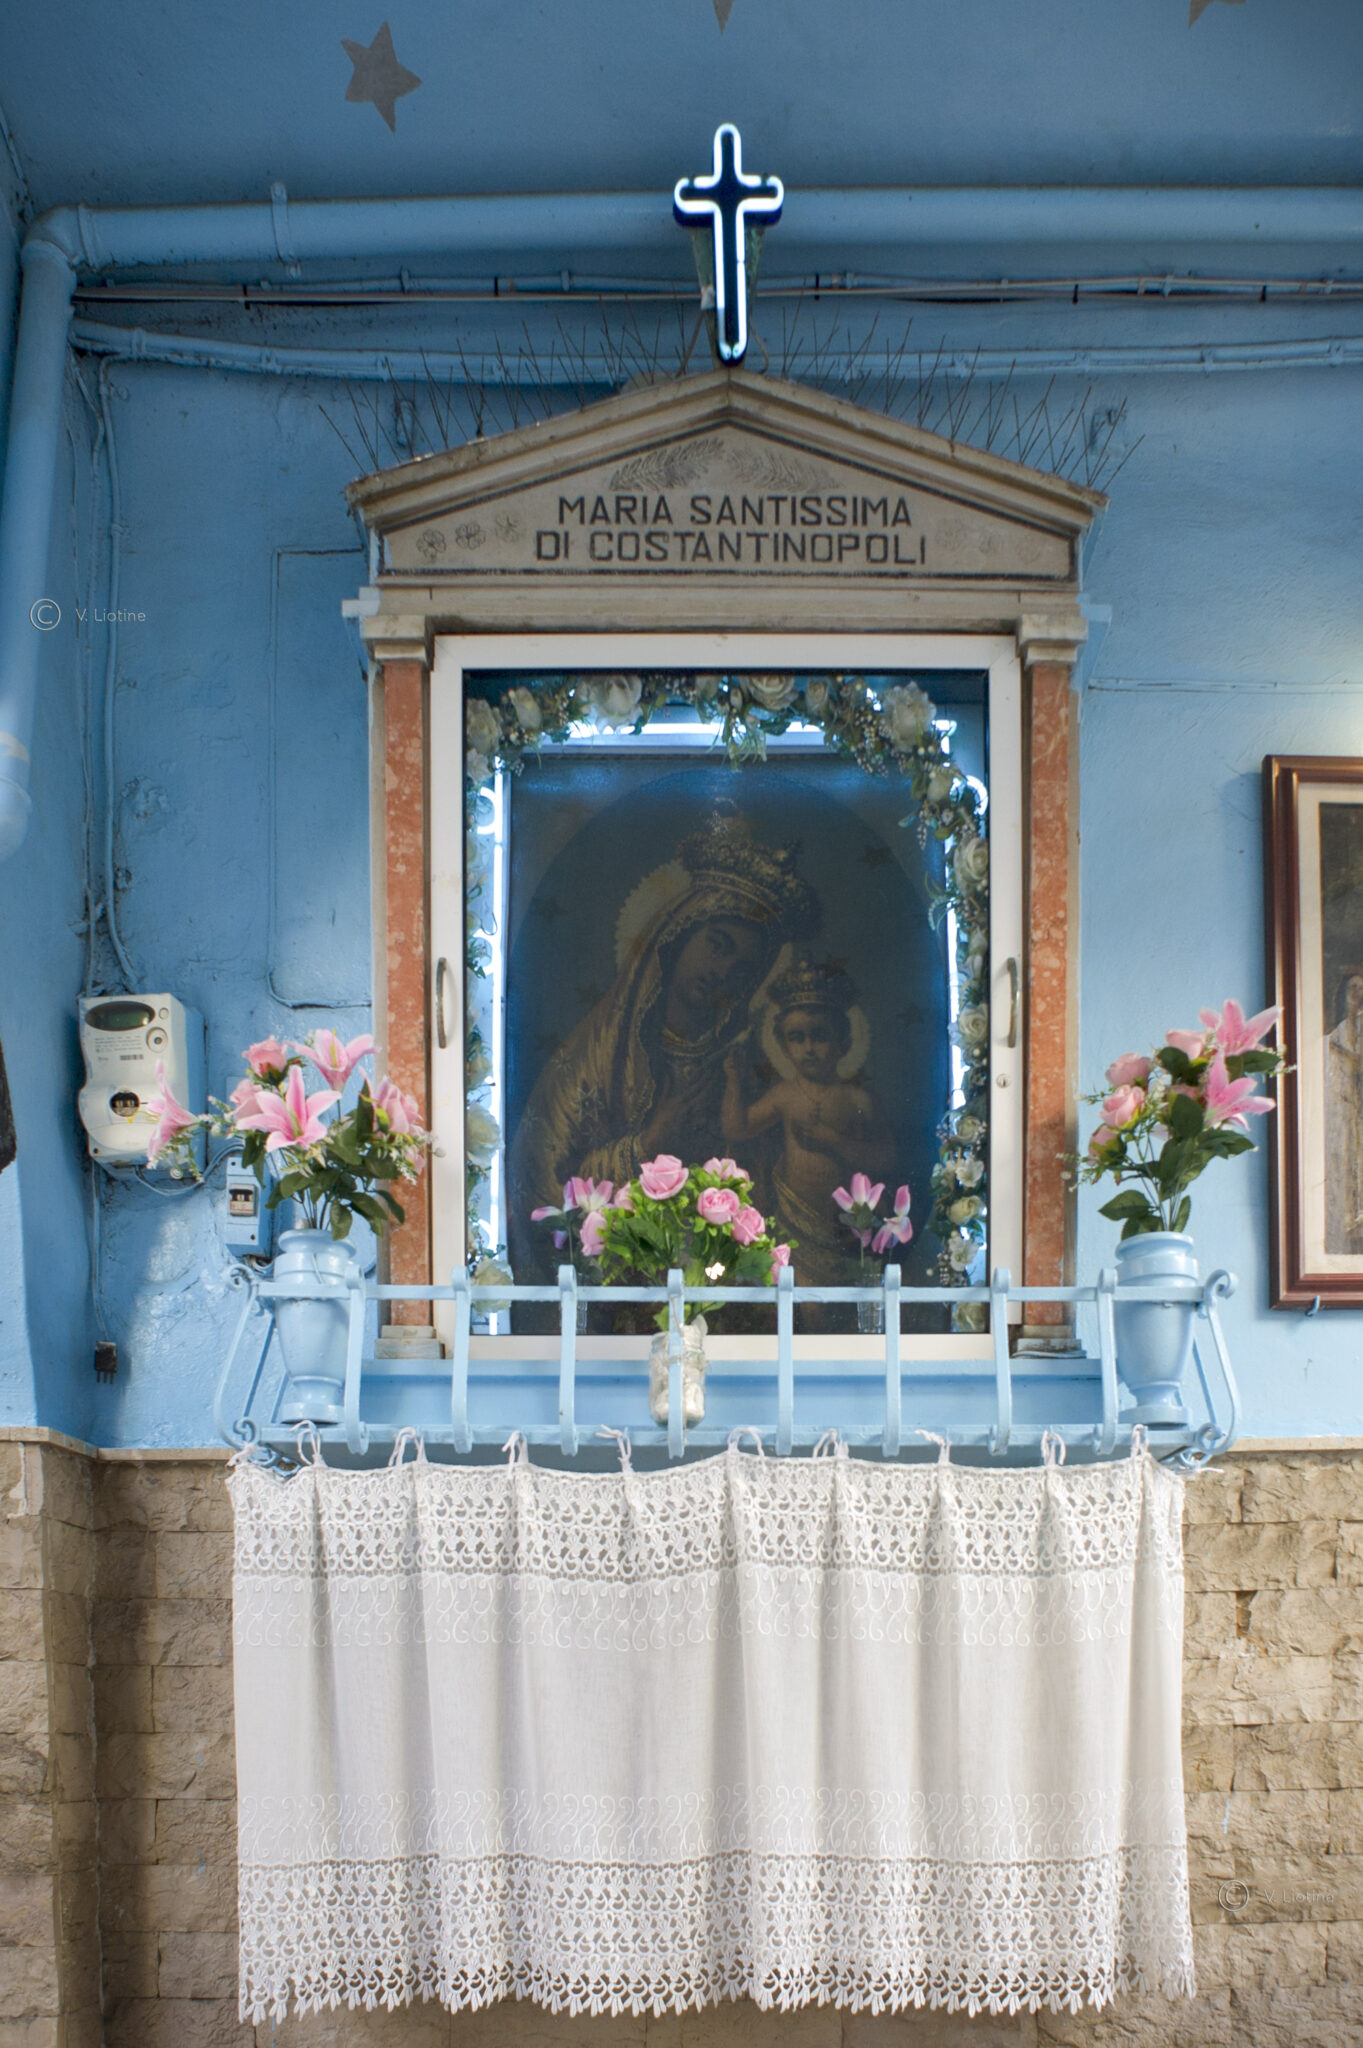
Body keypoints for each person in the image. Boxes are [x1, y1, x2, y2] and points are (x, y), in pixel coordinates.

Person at [509, 814, 818, 1271]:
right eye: (717, 945)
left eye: (741, 969)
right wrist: (650, 1142)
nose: (722, 972)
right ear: (677, 934)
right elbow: (544, 1180)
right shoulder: (596, 1055)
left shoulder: (738, 1069)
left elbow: (764, 1195)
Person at [722, 955, 891, 1286]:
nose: (809, 1047)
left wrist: (832, 1140)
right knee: (797, 1294)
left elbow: (885, 1158)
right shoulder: (784, 1095)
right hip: (793, 1219)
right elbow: (737, 1128)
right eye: (797, 1038)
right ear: (783, 1045)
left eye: (820, 1035)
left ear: (844, 1042)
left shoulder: (856, 1098)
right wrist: (733, 1081)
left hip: (843, 1225)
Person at [1325, 968, 1363, 1253]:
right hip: (1344, 1108)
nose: (1358, 993)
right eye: (1353, 988)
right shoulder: (1337, 1032)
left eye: (1362, 988)